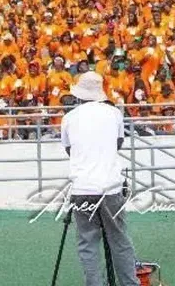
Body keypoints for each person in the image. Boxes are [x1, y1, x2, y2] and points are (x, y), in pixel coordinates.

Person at [59, 71, 139, 286]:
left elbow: (69, 149)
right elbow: (118, 144)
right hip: (110, 186)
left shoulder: (69, 118)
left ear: (79, 95)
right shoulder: (113, 114)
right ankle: (129, 283)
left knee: (87, 242)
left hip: (82, 187)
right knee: (120, 240)